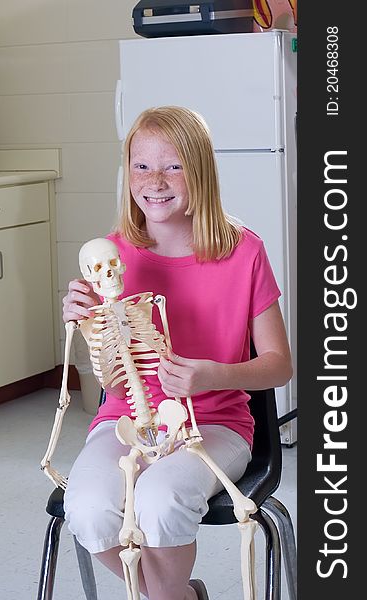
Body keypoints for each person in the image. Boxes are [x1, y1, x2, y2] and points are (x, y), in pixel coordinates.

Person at [61, 106, 293, 600]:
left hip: (215, 424)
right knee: (87, 508)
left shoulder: (244, 251)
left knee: (161, 499)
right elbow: (112, 378)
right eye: (141, 166)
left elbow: (280, 365)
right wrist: (83, 318)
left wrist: (212, 376)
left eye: (173, 166)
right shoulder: (114, 253)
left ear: (200, 171)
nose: (155, 181)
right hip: (126, 420)